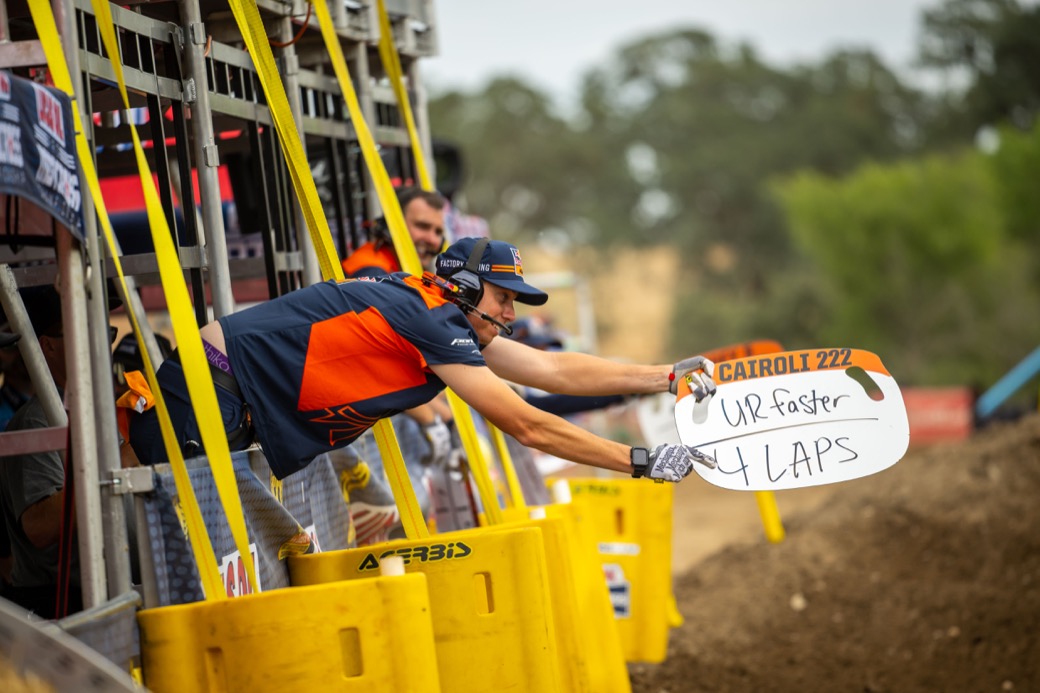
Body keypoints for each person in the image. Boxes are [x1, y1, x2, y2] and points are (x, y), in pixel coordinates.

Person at [129, 237, 717, 484]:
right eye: (504, 296)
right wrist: (638, 460)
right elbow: (526, 422)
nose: (511, 312)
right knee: (160, 528)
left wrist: (664, 377)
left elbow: (553, 371)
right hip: (215, 387)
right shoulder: (432, 317)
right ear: (462, 288)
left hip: (228, 390)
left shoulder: (437, 313)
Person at [341, 187, 447, 276]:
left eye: (438, 232)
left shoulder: (395, 271)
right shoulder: (374, 274)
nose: (432, 240)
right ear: (390, 227)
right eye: (422, 226)